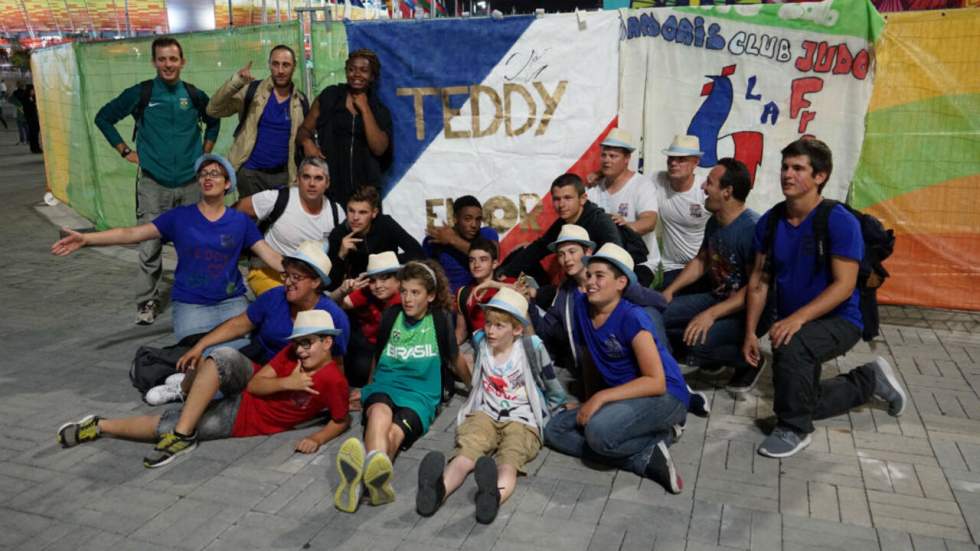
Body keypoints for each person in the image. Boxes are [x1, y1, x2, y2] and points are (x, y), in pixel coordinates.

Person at [743, 138, 907, 458]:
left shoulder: (838, 220)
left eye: (798, 168)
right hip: (797, 322)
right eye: (785, 167)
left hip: (841, 319)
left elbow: (844, 286)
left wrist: (797, 319)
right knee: (801, 398)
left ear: (820, 177)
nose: (788, 174)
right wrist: (750, 331)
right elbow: (759, 281)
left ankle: (794, 429)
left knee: (791, 351)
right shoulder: (771, 221)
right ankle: (869, 380)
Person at [56, 310, 350, 468]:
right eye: (298, 343)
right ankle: (184, 435)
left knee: (168, 423)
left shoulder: (333, 380)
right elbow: (256, 384)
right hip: (249, 384)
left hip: (243, 419)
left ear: (327, 343)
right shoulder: (290, 355)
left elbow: (341, 419)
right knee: (222, 356)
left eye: (307, 343)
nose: (300, 351)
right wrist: (289, 382)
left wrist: (317, 438)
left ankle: (99, 425)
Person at [52, 154, 282, 343]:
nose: (207, 178)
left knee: (238, 354)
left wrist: (307, 269)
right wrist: (86, 239)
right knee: (199, 353)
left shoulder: (239, 221)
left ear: (228, 183)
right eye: (202, 174)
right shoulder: (180, 217)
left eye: (214, 173)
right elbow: (131, 233)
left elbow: (269, 256)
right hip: (191, 305)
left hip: (231, 303)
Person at [543, 243, 690, 494]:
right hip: (625, 396)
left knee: (598, 433)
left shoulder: (632, 317)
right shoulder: (581, 306)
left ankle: (664, 430)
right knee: (554, 431)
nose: (591, 282)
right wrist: (588, 399)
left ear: (621, 282)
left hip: (665, 396)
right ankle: (645, 454)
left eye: (600, 276)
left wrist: (600, 398)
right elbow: (589, 354)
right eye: (589, 275)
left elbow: (656, 382)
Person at [94, 37, 221, 325]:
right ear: (154, 62)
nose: (168, 65)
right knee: (149, 247)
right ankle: (146, 302)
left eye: (173, 59)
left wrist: (206, 151)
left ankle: (197, 296)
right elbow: (103, 118)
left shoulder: (194, 94)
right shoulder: (142, 92)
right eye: (162, 59)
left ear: (182, 62)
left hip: (190, 184)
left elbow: (214, 119)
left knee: (195, 244)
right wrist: (124, 150)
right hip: (153, 184)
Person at [416, 288, 567, 524]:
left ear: (517, 329)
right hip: (485, 412)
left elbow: (551, 382)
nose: (490, 330)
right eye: (488, 323)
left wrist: (555, 409)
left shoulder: (531, 347)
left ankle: (492, 496)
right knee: (465, 455)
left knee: (509, 460)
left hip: (522, 418)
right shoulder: (480, 341)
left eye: (499, 326)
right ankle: (437, 491)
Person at [139, 239, 350, 405]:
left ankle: (191, 382)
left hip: (293, 379)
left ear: (315, 282)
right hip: (258, 362)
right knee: (216, 355)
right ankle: (184, 388)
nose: (288, 282)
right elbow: (239, 324)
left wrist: (337, 399)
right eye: (286, 275)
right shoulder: (275, 296)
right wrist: (200, 346)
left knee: (218, 395)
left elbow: (337, 365)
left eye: (296, 278)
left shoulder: (334, 317)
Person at [333, 260, 461, 513]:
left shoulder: (439, 320)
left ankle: (359, 483)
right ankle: (374, 480)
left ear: (431, 295)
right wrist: (367, 387)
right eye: (404, 291)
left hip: (422, 396)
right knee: (379, 413)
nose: (407, 299)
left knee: (394, 433)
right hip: (386, 384)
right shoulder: (392, 316)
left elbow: (457, 360)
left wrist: (476, 388)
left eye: (415, 293)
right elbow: (377, 355)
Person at [662, 158, 768, 392]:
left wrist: (709, 315)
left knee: (696, 344)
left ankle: (748, 361)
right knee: (660, 314)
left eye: (709, 183)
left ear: (727, 192)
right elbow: (702, 260)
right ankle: (713, 356)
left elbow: (755, 288)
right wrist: (669, 292)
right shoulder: (715, 221)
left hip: (747, 310)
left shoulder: (752, 229)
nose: (703, 188)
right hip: (717, 297)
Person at [207, 45, 309, 197]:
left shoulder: (301, 102)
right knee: (250, 221)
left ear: (293, 66)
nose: (280, 70)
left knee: (279, 221)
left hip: (283, 178)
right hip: (249, 175)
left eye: (285, 65)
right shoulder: (251, 91)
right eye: (275, 64)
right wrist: (236, 82)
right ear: (269, 64)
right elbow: (213, 109)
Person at [236, 157, 345, 296]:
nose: (312, 183)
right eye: (306, 177)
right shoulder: (277, 198)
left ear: (327, 183)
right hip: (268, 274)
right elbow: (234, 211)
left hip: (308, 282)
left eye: (318, 178)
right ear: (298, 179)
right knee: (284, 306)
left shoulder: (336, 213)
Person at [501, 173, 640, 282]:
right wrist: (505, 273)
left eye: (568, 198)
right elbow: (539, 248)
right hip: (590, 278)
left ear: (583, 199)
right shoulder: (564, 222)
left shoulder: (600, 221)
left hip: (631, 273)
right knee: (522, 253)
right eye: (557, 199)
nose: (561, 204)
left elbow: (616, 259)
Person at [297, 48, 392, 206]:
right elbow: (303, 131)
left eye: (364, 71)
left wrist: (365, 108)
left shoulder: (379, 110)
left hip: (365, 195)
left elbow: (379, 148)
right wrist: (307, 143)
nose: (356, 75)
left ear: (372, 76)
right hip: (329, 189)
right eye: (351, 69)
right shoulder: (330, 97)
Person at [587, 129, 661, 274]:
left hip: (640, 261)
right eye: (604, 155)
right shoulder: (593, 188)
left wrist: (625, 227)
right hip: (604, 263)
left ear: (627, 158)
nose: (607, 160)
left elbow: (650, 222)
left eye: (613, 156)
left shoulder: (642, 185)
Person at [330, 251, 402, 389]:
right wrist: (342, 290)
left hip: (395, 347)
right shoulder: (366, 292)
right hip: (368, 344)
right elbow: (332, 306)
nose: (378, 285)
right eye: (373, 280)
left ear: (398, 280)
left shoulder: (406, 298)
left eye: (384, 278)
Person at [327, 186, 424, 286]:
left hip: (388, 286)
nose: (355, 218)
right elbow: (330, 285)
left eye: (362, 212)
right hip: (358, 290)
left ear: (374, 213)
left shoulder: (385, 224)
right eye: (351, 211)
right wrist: (341, 255)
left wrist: (385, 262)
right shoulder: (338, 234)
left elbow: (418, 253)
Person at [655, 135, 710, 290]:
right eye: (671, 158)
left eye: (681, 159)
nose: (673, 163)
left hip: (703, 267)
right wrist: (600, 174)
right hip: (672, 268)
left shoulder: (706, 189)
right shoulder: (657, 180)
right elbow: (629, 180)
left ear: (696, 162)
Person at [423, 195, 499, 293]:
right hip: (449, 302)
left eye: (478, 219)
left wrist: (453, 240)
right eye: (468, 219)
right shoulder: (436, 240)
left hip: (481, 296)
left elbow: (493, 256)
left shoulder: (487, 234)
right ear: (455, 219)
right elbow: (425, 275)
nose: (474, 225)